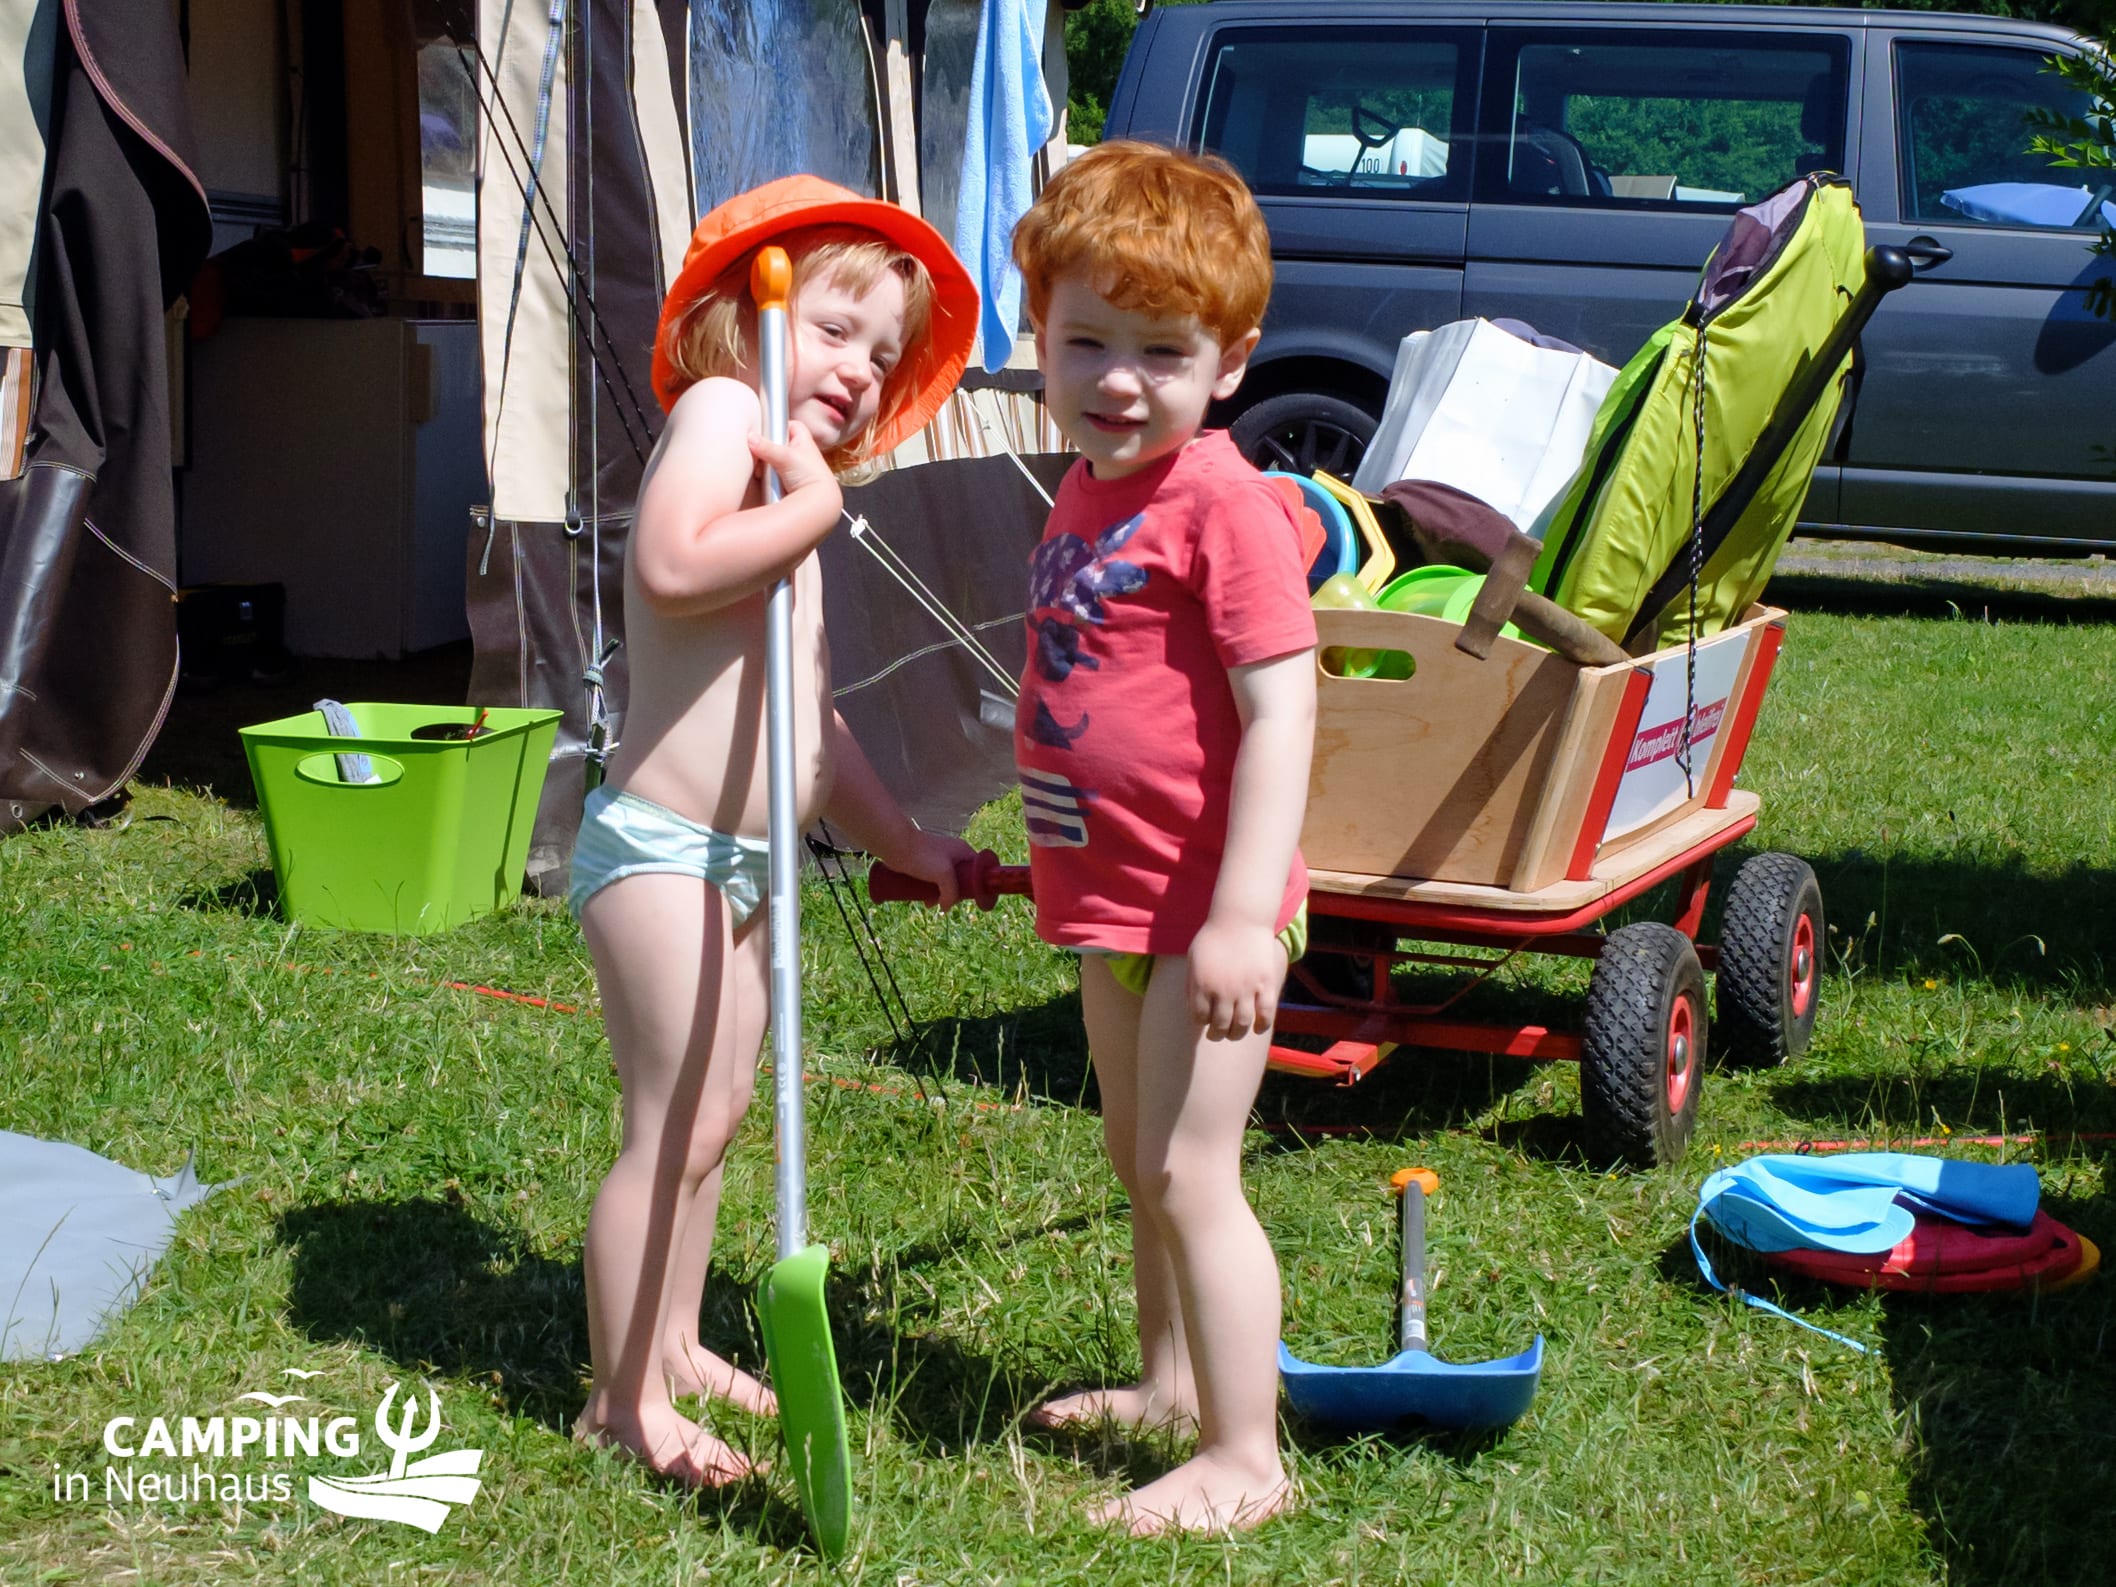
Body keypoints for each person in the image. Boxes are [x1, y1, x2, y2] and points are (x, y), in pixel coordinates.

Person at [567, 175, 979, 1487]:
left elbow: (814, 726)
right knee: (672, 1125)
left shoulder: (788, 488)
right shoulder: (722, 413)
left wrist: (907, 841)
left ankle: (676, 1343)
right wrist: (812, 513)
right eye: (835, 328)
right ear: (751, 313)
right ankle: (622, 1402)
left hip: (746, 866)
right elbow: (672, 562)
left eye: (883, 354)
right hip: (661, 854)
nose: (859, 369)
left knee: (718, 1115)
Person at [1009, 141, 1318, 1533]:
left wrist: (1243, 916)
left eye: (1161, 351)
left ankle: (1246, 1459)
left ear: (1229, 363)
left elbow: (1283, 713)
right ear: (1041, 333)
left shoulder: (1221, 501)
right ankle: (1172, 1384)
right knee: (1141, 1165)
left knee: (1196, 1174)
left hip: (1208, 913)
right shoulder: (1090, 485)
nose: (1119, 380)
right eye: (1087, 342)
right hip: (1115, 905)